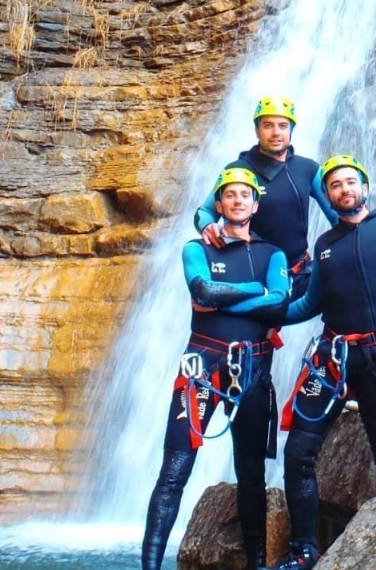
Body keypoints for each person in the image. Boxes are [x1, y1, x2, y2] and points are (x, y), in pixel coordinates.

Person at [265, 154, 376, 570]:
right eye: (334, 185)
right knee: (299, 452)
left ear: (364, 187)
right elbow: (310, 302)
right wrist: (265, 315)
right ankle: (304, 550)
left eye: (349, 182)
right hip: (331, 359)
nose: (343, 190)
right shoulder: (324, 246)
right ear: (328, 195)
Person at [142, 168, 290, 570]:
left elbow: (279, 305)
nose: (238, 201)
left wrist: (226, 301)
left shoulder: (272, 254)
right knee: (175, 467)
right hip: (202, 369)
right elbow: (202, 290)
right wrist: (254, 290)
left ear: (255, 205)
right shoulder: (196, 249)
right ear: (219, 204)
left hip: (252, 368)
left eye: (245, 195)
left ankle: (258, 562)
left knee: (250, 470)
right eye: (230, 195)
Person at [194, 96, 336, 298]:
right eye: (268, 125)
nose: (276, 132)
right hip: (253, 276)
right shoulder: (238, 169)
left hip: (301, 273)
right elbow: (204, 212)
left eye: (283, 125)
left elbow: (338, 215)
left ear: (291, 130)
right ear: (257, 130)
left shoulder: (308, 169)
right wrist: (208, 226)